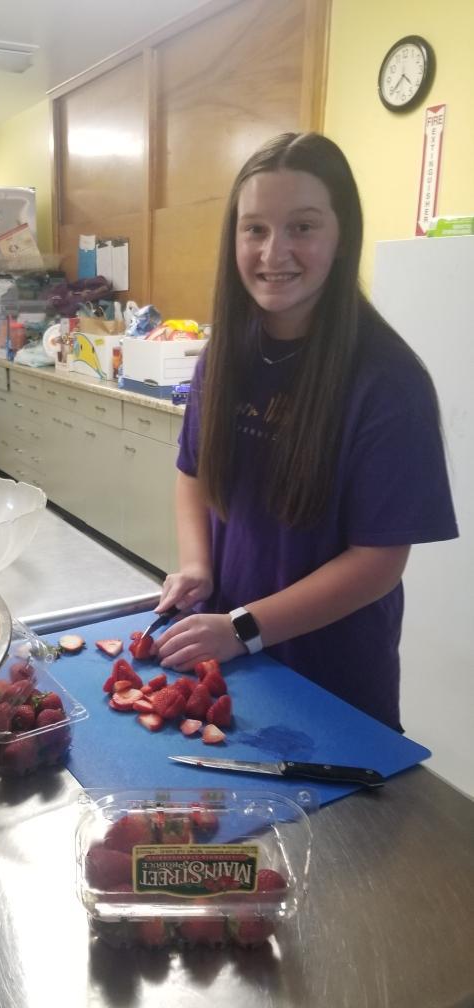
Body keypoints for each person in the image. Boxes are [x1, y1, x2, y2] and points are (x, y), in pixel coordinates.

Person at [153, 131, 458, 730]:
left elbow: (378, 561)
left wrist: (244, 628)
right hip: (230, 660)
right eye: (255, 229)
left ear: (342, 236)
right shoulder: (224, 356)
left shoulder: (389, 382)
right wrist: (197, 567)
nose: (274, 252)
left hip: (331, 677)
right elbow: (194, 474)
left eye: (303, 227)